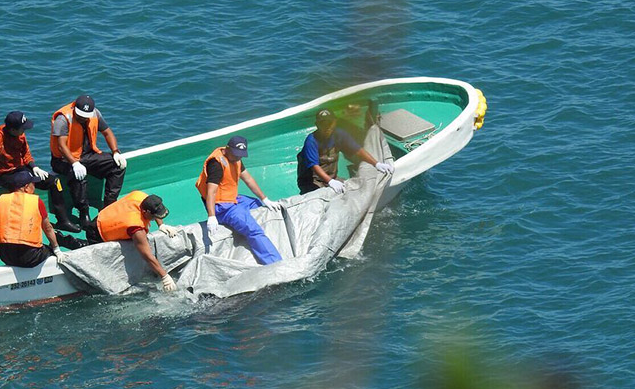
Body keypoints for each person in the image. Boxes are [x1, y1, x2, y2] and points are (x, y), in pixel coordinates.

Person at [0, 111, 81, 233]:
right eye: (22, 128)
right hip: (4, 174)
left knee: (54, 182)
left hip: (21, 168)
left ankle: (63, 221)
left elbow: (25, 153)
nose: (24, 131)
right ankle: (27, 222)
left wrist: (34, 167)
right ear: (12, 129)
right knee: (26, 184)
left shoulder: (20, 134)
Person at [56, 190, 179, 292]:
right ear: (145, 212)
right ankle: (61, 239)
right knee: (89, 249)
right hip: (99, 231)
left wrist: (161, 225)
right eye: (154, 217)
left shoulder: (141, 197)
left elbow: (154, 207)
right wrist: (164, 276)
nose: (156, 219)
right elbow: (146, 255)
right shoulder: (136, 227)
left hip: (105, 215)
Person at [195, 135, 282, 265]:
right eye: (236, 154)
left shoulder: (236, 159)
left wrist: (265, 199)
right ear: (227, 149)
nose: (238, 158)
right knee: (253, 230)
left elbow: (248, 179)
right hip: (221, 206)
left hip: (233, 198)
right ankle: (275, 263)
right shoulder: (216, 164)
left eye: (241, 155)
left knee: (257, 205)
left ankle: (263, 239)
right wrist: (212, 216)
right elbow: (211, 192)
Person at [49, 94, 126, 226]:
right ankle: (83, 212)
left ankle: (109, 204)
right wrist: (74, 163)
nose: (83, 118)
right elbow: (61, 146)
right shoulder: (63, 119)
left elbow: (107, 132)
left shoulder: (95, 114)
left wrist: (115, 152)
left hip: (86, 155)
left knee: (117, 165)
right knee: (77, 175)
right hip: (63, 160)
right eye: (80, 115)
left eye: (86, 116)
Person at [296, 108, 395, 194]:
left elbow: (358, 150)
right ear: (317, 125)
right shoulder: (311, 140)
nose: (327, 127)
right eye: (323, 124)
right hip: (311, 182)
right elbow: (314, 166)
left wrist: (376, 164)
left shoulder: (339, 135)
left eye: (329, 123)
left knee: (353, 191)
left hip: (332, 178)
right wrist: (331, 182)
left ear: (334, 122)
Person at [0, 182, 65, 268]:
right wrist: (56, 249)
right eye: (33, 184)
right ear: (26, 187)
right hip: (29, 257)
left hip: (5, 255)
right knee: (50, 251)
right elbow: (48, 228)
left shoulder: (1, 199)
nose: (35, 187)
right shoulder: (36, 201)